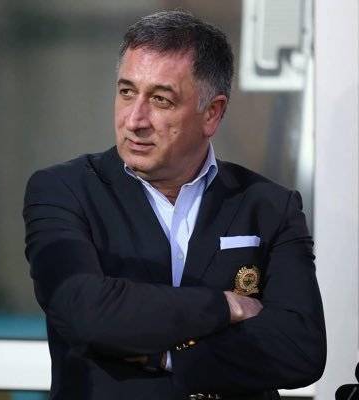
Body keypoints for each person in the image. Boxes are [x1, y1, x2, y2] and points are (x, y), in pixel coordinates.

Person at [23, 10, 326, 400]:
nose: (135, 120)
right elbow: (84, 310)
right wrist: (225, 306)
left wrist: (168, 358)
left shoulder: (269, 206)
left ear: (211, 113)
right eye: (127, 92)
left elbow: (300, 348)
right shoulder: (64, 190)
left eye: (160, 100)